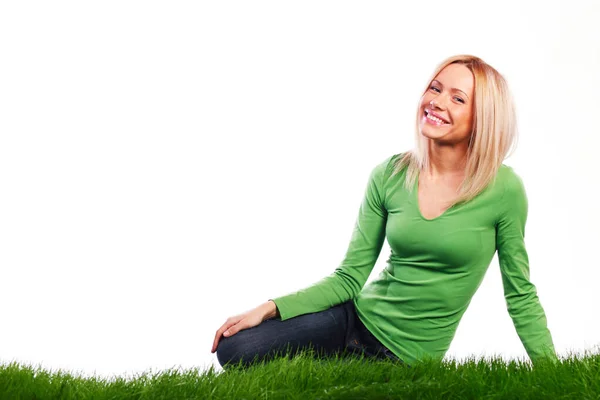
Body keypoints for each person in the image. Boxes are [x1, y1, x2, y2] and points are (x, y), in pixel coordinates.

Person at [211, 54, 559, 370]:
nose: (437, 102)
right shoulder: (390, 174)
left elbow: (520, 293)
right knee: (235, 348)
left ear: (483, 117)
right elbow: (349, 276)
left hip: (404, 357)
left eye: (457, 98)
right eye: (435, 89)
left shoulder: (503, 189)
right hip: (353, 320)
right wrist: (269, 308)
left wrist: (553, 374)